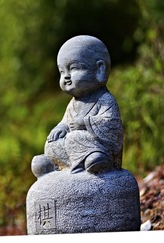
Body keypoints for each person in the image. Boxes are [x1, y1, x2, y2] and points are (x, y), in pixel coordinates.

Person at [44, 35, 123, 174]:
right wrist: (61, 128)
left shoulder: (105, 99)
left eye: (74, 68)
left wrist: (84, 123)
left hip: (95, 144)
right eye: (62, 72)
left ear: (100, 69)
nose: (66, 77)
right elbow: (66, 121)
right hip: (73, 144)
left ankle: (98, 160)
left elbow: (111, 125)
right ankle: (68, 163)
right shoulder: (73, 104)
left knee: (75, 138)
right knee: (52, 144)